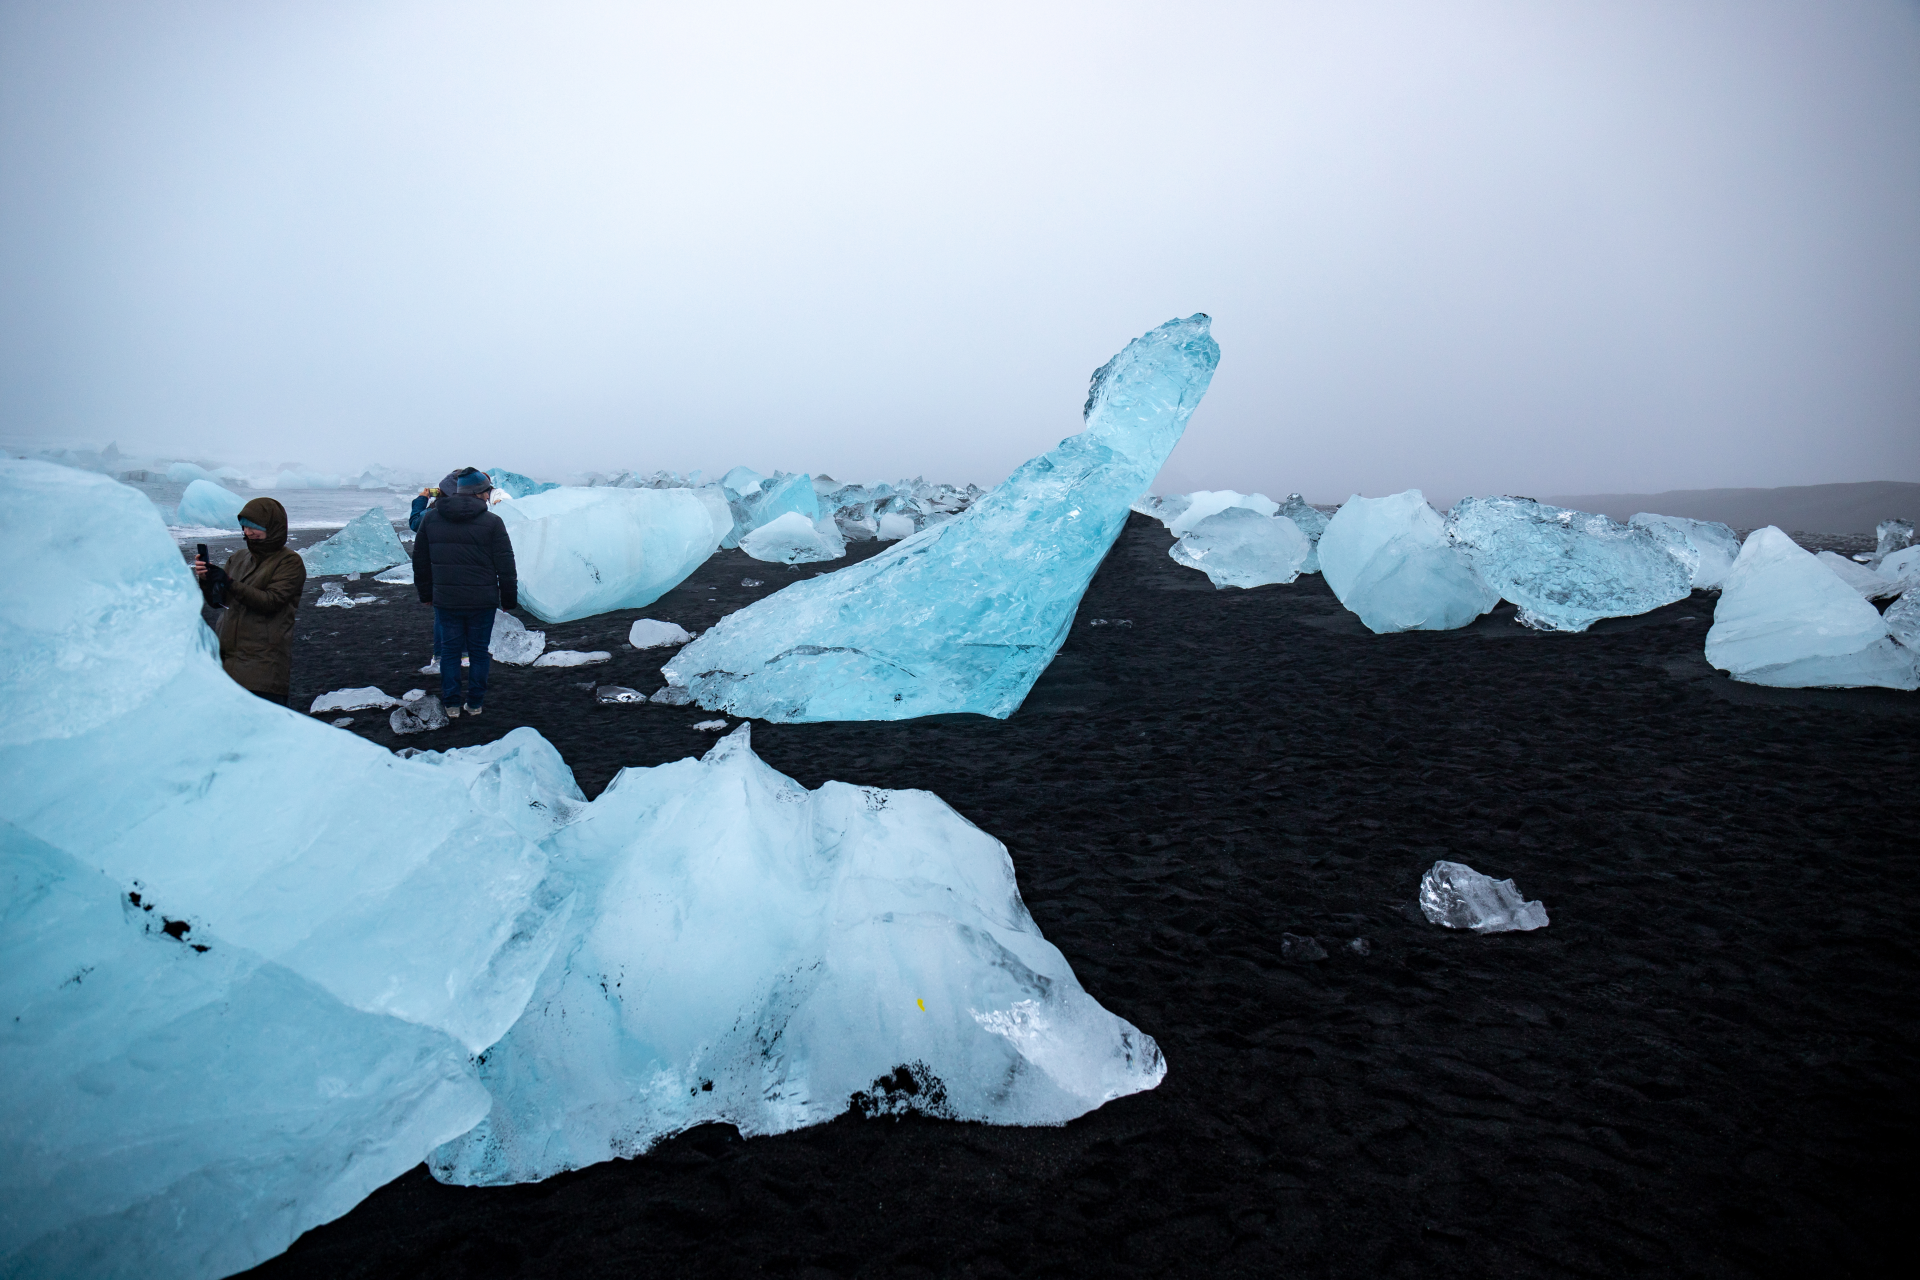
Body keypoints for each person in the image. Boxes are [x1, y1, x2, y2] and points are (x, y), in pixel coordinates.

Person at [413, 467, 518, 717]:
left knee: (449, 653)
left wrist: (426, 595)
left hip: (446, 599)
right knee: (479, 652)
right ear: (480, 493)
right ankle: (474, 704)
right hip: (482, 600)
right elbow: (506, 563)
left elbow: (420, 561)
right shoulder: (493, 522)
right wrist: (508, 599)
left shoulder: (431, 518)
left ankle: (451, 704)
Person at [192, 497, 306, 704]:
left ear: (273, 526)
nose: (249, 531)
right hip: (226, 662)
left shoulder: (289, 562)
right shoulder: (238, 558)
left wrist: (228, 582)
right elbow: (218, 602)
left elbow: (271, 602)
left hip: (262, 665)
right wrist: (207, 580)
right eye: (245, 526)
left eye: (255, 526)